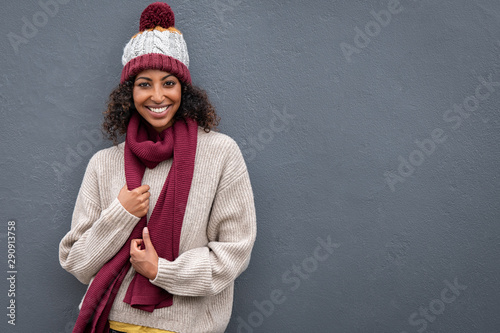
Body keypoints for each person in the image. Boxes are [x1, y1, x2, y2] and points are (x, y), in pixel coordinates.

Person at [58, 2, 257, 333]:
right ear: (129, 92)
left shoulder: (221, 153)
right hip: (112, 324)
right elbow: (77, 263)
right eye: (144, 83)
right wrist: (121, 213)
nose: (157, 95)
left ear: (183, 90)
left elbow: (234, 252)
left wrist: (160, 271)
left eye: (168, 82)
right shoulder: (103, 164)